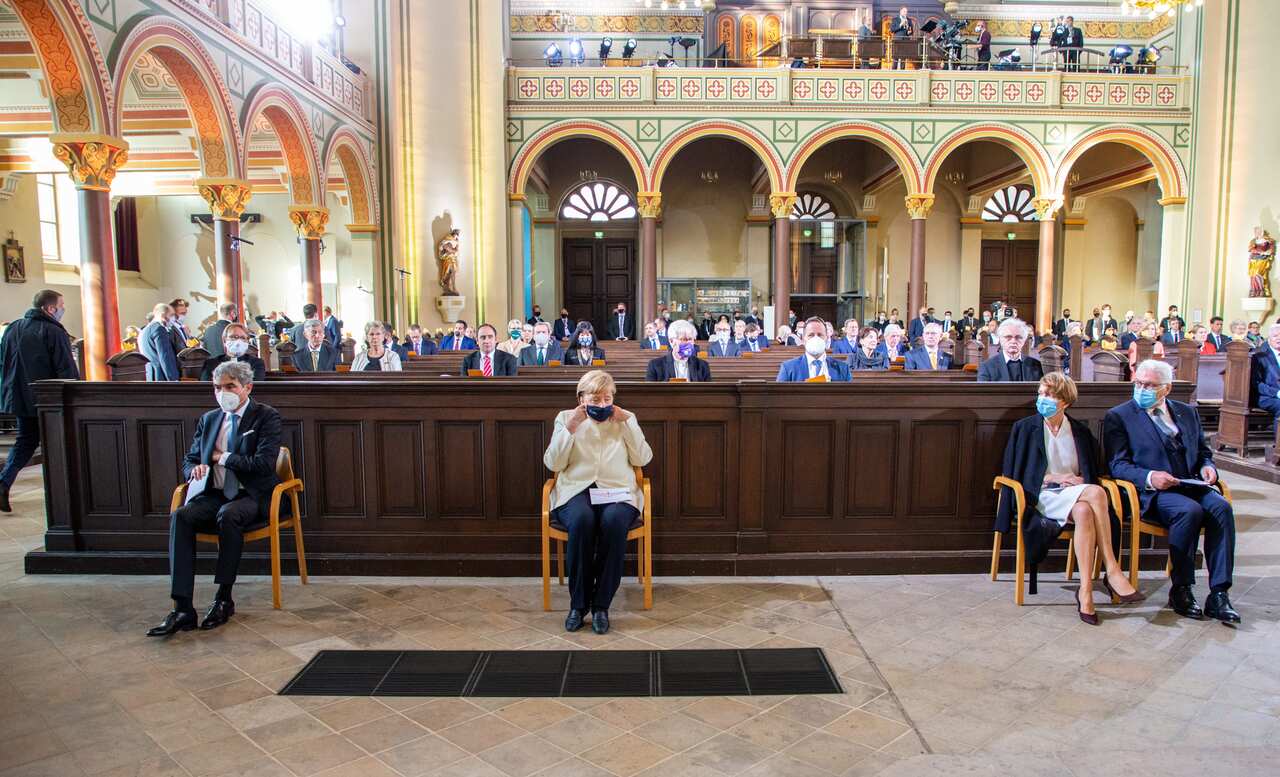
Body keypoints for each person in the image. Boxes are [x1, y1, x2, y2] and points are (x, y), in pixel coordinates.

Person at [146, 360, 282, 637]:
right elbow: (191, 457)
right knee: (181, 516)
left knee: (229, 515)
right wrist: (192, 469)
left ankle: (223, 597)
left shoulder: (265, 416)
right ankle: (182, 606)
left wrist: (225, 457)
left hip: (250, 494)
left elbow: (264, 464)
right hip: (214, 492)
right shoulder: (209, 420)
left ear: (247, 387)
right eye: (217, 388)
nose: (223, 393)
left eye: (230, 386)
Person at [999, 373, 1143, 624]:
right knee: (1097, 492)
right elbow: (1015, 471)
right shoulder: (1025, 428)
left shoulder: (1079, 430)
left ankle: (1085, 590)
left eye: (1049, 395)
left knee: (1086, 511)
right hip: (1041, 494)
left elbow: (1088, 472)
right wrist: (1052, 477)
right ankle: (1112, 568)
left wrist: (1076, 480)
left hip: (1075, 494)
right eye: (1041, 394)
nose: (1042, 399)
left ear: (1064, 401)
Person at [1104, 359, 1240, 623]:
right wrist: (1150, 477)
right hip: (1154, 493)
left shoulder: (1186, 412)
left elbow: (1202, 452)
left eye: (1149, 385)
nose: (1141, 389)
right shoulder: (1120, 416)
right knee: (1188, 511)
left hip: (1191, 483)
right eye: (1139, 383)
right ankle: (1182, 588)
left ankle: (1219, 593)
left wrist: (1208, 467)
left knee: (1222, 508)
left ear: (1165, 389)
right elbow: (1117, 465)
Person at [544, 370, 652, 634]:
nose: (602, 405)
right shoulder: (565, 419)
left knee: (614, 522)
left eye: (607, 398)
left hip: (617, 490)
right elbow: (553, 464)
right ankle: (578, 605)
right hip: (576, 490)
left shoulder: (625, 419)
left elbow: (642, 459)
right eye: (595, 399)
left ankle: (601, 605)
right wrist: (571, 427)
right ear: (581, 398)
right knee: (582, 520)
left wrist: (628, 424)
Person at [0, 290, 78, 512]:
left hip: (18, 396)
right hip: (49, 401)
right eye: (62, 305)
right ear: (51, 308)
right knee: (59, 444)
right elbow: (66, 369)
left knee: (25, 441)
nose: (63, 310)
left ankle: (4, 482)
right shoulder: (53, 331)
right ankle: (62, 498)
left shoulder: (13, 328)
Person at [777, 318, 852, 382]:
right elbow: (779, 397)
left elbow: (850, 397)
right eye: (811, 335)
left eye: (820, 335)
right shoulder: (788, 368)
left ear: (826, 338)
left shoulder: (843, 368)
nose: (816, 338)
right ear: (803, 339)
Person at [978, 318, 1044, 382]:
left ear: (1024, 340)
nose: (1013, 341)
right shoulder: (987, 367)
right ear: (1000, 340)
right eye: (1008, 337)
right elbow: (983, 393)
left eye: (1018, 337)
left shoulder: (1036, 366)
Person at [200, 323, 266, 382]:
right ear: (224, 340)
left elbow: (255, 386)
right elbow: (206, 387)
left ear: (247, 342)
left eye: (243, 338)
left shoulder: (256, 363)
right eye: (234, 337)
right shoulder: (211, 363)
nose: (238, 341)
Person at [140, 303, 181, 382]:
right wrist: (173, 380)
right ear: (163, 315)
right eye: (171, 315)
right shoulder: (159, 329)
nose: (174, 319)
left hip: (150, 376)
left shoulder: (145, 330)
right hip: (161, 377)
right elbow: (165, 357)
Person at [1250, 323, 1280, 425]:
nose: (1278, 339)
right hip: (1266, 397)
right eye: (1275, 336)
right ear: (1269, 339)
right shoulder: (1259, 356)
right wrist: (1277, 393)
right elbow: (1256, 383)